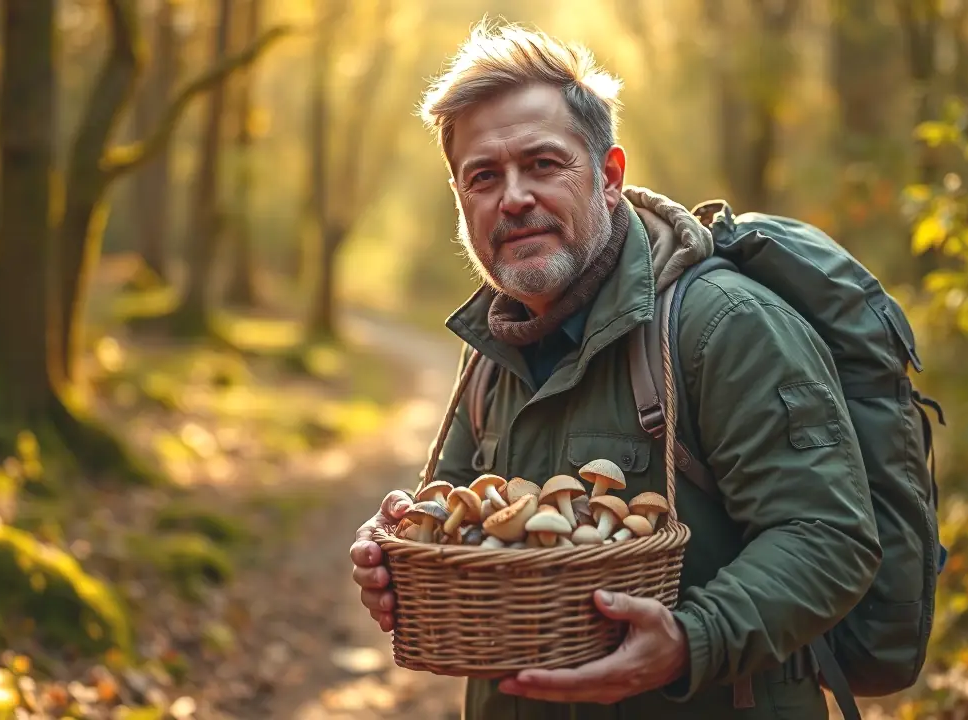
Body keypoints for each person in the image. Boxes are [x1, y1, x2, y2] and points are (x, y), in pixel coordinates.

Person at [349, 20, 881, 720]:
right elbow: (454, 511)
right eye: (484, 176)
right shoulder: (490, 348)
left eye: (543, 164)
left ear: (608, 178)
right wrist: (399, 550)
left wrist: (692, 640)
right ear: (460, 202)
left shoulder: (722, 326)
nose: (513, 197)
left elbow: (829, 535)